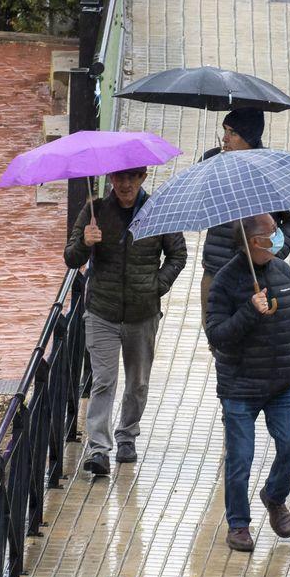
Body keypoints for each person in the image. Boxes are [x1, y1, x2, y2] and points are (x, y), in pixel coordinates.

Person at [64, 167, 187, 475]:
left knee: (138, 382)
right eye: (120, 178)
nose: (126, 184)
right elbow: (71, 258)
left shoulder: (159, 210)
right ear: (112, 180)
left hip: (142, 313)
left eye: (132, 178)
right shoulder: (95, 210)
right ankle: (99, 448)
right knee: (104, 379)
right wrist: (85, 244)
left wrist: (156, 286)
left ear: (143, 178)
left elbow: (178, 255)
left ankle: (127, 436)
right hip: (101, 311)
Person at [205, 213, 290, 552]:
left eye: (277, 231)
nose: (277, 238)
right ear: (252, 242)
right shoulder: (225, 281)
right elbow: (217, 335)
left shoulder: (283, 271)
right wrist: (249, 310)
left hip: (282, 382)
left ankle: (274, 496)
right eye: (270, 234)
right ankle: (238, 525)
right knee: (240, 458)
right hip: (240, 387)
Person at [199, 108, 290, 337]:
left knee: (257, 342)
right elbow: (198, 204)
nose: (225, 138)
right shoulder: (211, 163)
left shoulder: (274, 169)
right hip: (216, 271)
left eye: (234, 133)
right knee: (219, 341)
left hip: (257, 275)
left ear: (249, 138)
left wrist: (273, 252)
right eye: (225, 131)